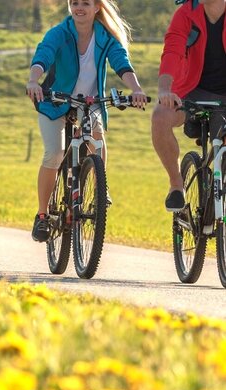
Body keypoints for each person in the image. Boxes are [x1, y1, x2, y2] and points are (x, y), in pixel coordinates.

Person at [25, 0, 147, 242]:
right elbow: (44, 55)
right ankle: (42, 215)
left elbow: (121, 62)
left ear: (97, 8)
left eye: (86, 3)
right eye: (74, 3)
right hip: (55, 102)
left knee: (97, 139)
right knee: (55, 153)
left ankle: (100, 188)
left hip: (90, 103)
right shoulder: (60, 33)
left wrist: (136, 89)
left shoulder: (105, 38)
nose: (79, 8)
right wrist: (32, 81)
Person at [153, 0, 226, 212]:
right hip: (190, 91)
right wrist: (165, 89)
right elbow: (172, 52)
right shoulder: (186, 13)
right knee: (160, 117)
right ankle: (176, 184)